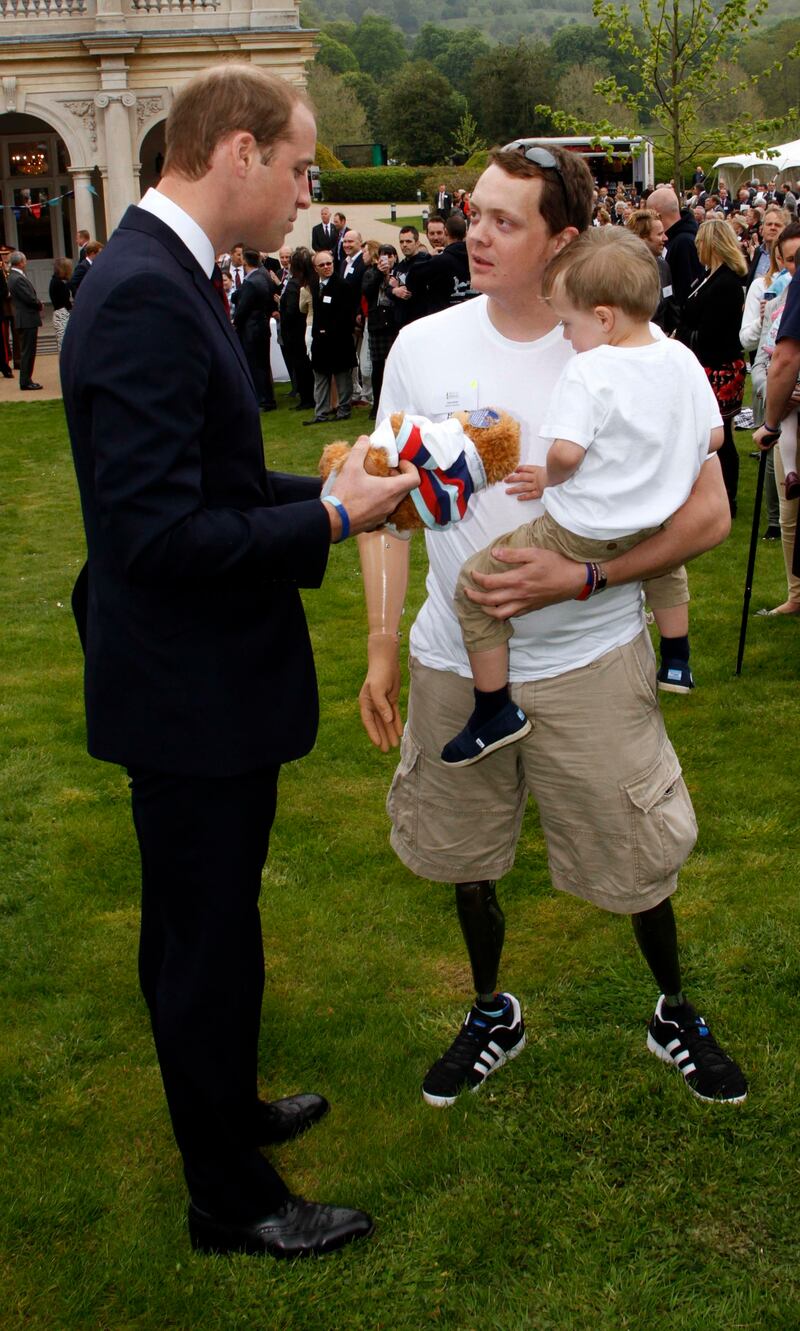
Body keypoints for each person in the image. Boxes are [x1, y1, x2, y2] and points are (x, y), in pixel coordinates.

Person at [61, 62, 417, 1260]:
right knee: (202, 938)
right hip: (185, 686)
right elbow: (158, 536)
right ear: (238, 154)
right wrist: (330, 522)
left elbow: (205, 485)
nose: (309, 189)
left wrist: (327, 485)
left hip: (197, 678)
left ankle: (226, 1108)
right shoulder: (147, 293)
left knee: (211, 923)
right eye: (304, 165)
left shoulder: (169, 274)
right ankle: (228, 1194)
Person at [358, 141, 746, 1113]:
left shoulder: (632, 353)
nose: (471, 232)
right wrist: (378, 642)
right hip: (453, 660)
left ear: (561, 240)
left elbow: (707, 516)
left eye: (502, 220)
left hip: (587, 656)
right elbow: (387, 501)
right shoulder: (420, 346)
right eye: (471, 212)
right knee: (464, 858)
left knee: (635, 858)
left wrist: (583, 575)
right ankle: (491, 1008)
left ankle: (671, 1006)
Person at [442, 228, 722, 766]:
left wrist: (547, 477)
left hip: (581, 532)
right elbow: (711, 438)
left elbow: (568, 455)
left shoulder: (590, 368)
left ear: (603, 318)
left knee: (474, 589)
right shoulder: (679, 356)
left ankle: (492, 708)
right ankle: (677, 660)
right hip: (649, 524)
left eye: (568, 323)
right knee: (666, 566)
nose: (565, 337)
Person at [677, 217, 747, 517]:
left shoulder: (726, 282)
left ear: (709, 244)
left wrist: (685, 336)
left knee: (720, 435)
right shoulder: (711, 277)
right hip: (710, 365)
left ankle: (726, 496)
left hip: (720, 368)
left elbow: (712, 332)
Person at [231, 246, 277, 411]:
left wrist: (235, 321)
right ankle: (267, 398)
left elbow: (243, 307)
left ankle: (264, 400)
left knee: (256, 365)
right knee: (263, 364)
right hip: (262, 325)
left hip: (252, 328)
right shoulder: (263, 275)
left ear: (244, 260)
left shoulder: (251, 281)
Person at [7, 250, 43, 390]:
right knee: (28, 351)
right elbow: (28, 298)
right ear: (21, 262)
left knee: (28, 350)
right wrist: (38, 303)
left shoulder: (15, 276)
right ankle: (26, 381)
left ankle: (27, 379)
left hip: (26, 317)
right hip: (26, 318)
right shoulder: (17, 278)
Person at [49, 257, 73, 352]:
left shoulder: (60, 281)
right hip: (62, 314)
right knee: (63, 345)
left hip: (62, 313)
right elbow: (64, 300)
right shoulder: (57, 283)